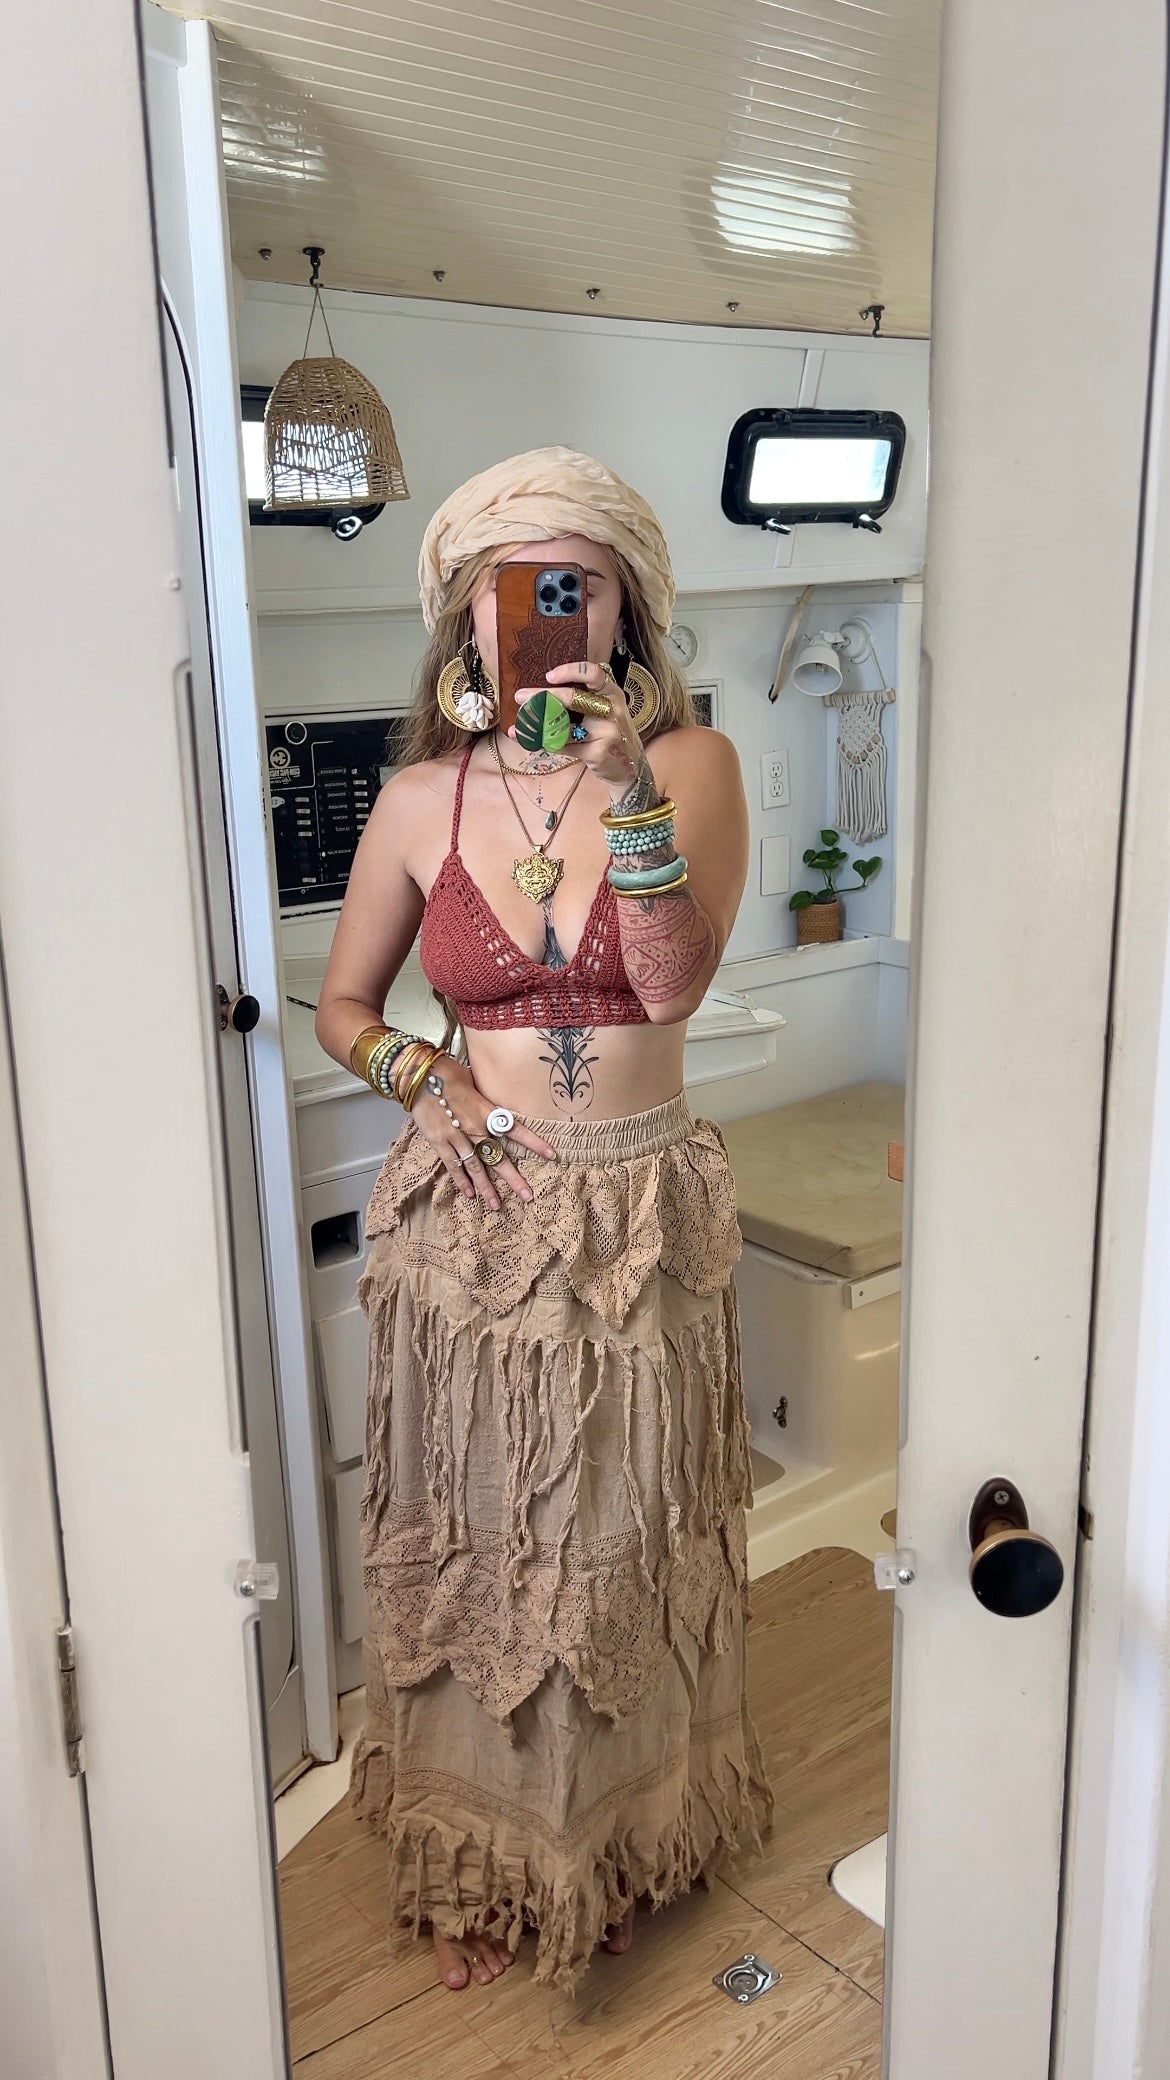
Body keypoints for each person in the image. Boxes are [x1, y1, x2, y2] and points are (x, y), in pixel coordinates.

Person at [314, 445, 774, 1997]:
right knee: (480, 1548)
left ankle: (610, 1842)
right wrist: (425, 1076)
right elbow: (344, 1006)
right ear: (463, 615)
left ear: (630, 606)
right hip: (469, 1232)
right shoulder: (415, 798)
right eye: (513, 588)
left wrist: (628, 789)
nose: (546, 612)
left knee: (619, 1542)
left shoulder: (690, 765)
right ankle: (479, 1857)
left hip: (639, 1219)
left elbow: (667, 986)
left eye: (580, 583)